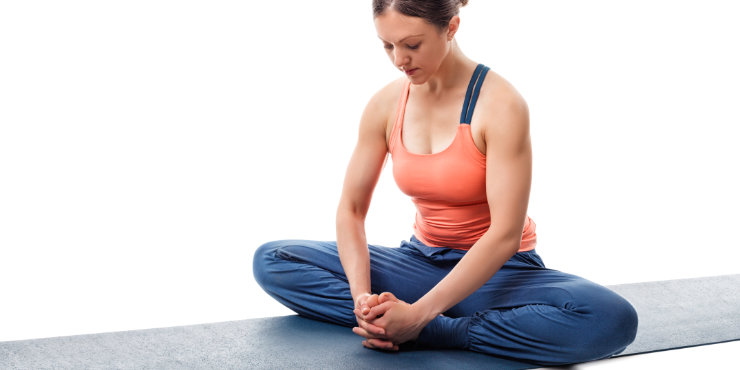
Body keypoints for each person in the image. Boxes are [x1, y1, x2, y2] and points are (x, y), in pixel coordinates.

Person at [253, 0, 638, 366]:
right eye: (387, 46)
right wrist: (363, 300)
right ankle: (395, 320)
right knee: (274, 260)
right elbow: (351, 210)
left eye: (412, 45)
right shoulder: (386, 105)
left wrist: (421, 316)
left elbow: (505, 235)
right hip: (419, 262)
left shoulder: (500, 105)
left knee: (611, 318)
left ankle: (438, 329)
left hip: (498, 272)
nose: (399, 60)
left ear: (451, 27)